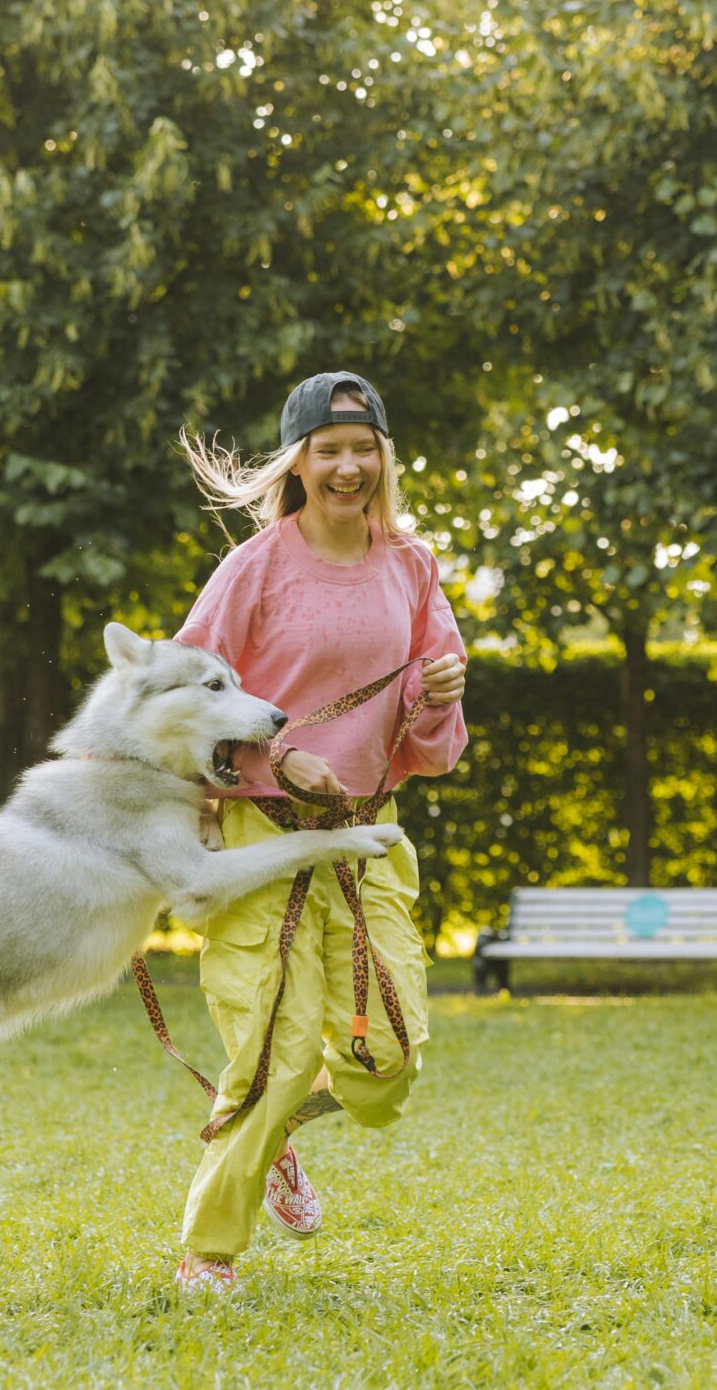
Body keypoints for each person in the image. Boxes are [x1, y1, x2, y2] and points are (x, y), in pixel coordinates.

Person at [167, 370, 469, 1294]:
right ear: (298, 462)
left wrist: (431, 700)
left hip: (366, 841)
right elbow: (183, 703)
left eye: (362, 447)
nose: (347, 465)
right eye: (328, 450)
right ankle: (208, 1251)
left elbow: (435, 747)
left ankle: (282, 1135)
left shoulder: (413, 567)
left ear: (383, 457)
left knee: (385, 1066)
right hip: (264, 838)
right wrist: (273, 758)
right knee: (273, 1052)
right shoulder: (254, 568)